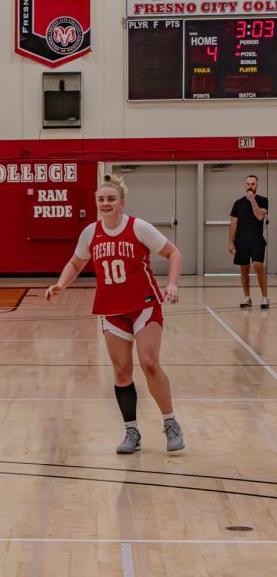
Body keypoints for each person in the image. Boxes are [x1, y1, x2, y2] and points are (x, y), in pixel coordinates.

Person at [45, 174, 185, 455]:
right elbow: (75, 262)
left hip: (144, 305)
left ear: (122, 202)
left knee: (149, 363)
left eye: (111, 199)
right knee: (121, 372)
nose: (105, 203)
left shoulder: (138, 227)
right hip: (111, 309)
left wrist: (171, 284)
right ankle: (131, 431)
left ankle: (171, 423)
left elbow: (174, 253)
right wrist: (61, 284)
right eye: (101, 199)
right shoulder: (90, 233)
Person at [229, 174, 269, 309]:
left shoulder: (263, 200)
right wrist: (231, 241)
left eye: (252, 184)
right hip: (241, 242)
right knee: (244, 270)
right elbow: (233, 223)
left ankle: (264, 297)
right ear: (245, 185)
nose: (250, 186)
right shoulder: (238, 203)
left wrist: (252, 201)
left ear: (257, 185)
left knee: (258, 266)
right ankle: (247, 298)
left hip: (257, 240)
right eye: (248, 184)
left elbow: (259, 216)